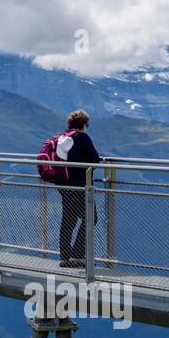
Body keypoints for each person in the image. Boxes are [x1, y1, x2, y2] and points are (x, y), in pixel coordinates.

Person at [55, 109, 101, 267]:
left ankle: (65, 257)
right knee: (91, 218)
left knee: (69, 219)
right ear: (83, 124)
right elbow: (95, 160)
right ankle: (78, 255)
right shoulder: (82, 138)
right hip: (81, 186)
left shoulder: (62, 138)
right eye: (87, 125)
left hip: (63, 185)